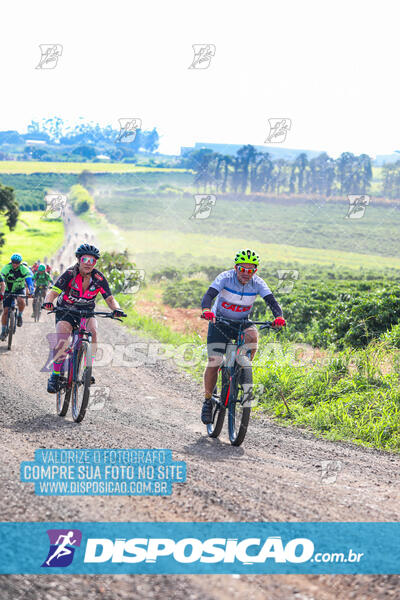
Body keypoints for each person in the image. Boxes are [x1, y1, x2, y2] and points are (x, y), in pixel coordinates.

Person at [200, 248, 286, 424]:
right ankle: (208, 401)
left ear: (255, 270)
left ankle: (242, 370)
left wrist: (279, 317)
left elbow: (272, 301)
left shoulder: (258, 283)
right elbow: (209, 296)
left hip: (241, 322)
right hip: (220, 321)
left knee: (253, 336)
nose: (246, 274)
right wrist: (207, 310)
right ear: (236, 268)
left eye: (251, 270)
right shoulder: (225, 278)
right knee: (214, 361)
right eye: (243, 269)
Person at [42, 243, 125, 393]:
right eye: (85, 259)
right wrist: (48, 302)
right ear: (79, 260)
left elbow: (110, 299)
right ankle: (54, 376)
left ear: (95, 263)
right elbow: (53, 292)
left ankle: (88, 369)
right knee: (63, 341)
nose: (88, 263)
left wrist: (117, 309)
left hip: (86, 312)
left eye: (92, 261)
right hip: (66, 311)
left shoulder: (99, 278)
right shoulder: (69, 274)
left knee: (93, 332)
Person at [0, 254, 34, 338]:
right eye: (13, 262)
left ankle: (19, 316)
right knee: (5, 311)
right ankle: (3, 331)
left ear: (20, 263)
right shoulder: (6, 268)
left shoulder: (24, 269)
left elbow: (29, 281)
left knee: (21, 300)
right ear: (11, 262)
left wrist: (31, 291)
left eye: (17, 262)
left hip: (19, 289)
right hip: (8, 289)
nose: (15, 264)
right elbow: (2, 278)